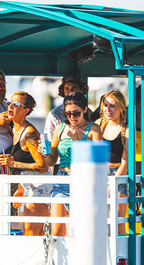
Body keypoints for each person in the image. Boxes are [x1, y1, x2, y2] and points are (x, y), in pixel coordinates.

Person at [43, 92, 102, 236]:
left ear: (85, 110)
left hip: (83, 180)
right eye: (68, 114)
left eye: (76, 113)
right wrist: (44, 153)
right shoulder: (60, 128)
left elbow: (96, 160)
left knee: (79, 230)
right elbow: (52, 160)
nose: (72, 117)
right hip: (62, 178)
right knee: (56, 230)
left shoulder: (93, 129)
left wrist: (77, 140)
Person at [0, 91, 51, 236]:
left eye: (15, 104)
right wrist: (21, 188)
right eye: (9, 103)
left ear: (25, 110)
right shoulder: (15, 129)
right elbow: (28, 160)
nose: (10, 107)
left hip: (40, 188)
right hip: (30, 186)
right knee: (37, 235)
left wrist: (13, 164)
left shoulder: (29, 134)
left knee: (30, 235)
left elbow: (43, 166)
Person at [96, 90, 128, 235]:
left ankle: (122, 257)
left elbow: (126, 163)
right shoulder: (98, 125)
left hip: (118, 174)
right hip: (99, 174)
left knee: (118, 222)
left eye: (112, 106)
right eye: (105, 105)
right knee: (99, 221)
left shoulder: (126, 129)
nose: (108, 110)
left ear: (121, 108)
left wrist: (113, 183)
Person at [43, 73, 89, 142]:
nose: (70, 91)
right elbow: (50, 141)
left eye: (74, 88)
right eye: (67, 89)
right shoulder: (54, 114)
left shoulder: (90, 115)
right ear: (63, 91)